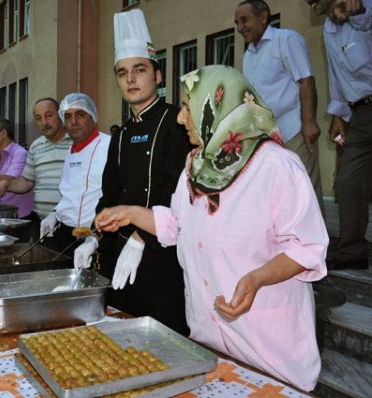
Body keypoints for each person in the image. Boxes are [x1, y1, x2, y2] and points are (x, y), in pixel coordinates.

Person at [95, 65, 328, 392]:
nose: (180, 118)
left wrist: (258, 278)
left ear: (217, 107)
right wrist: (131, 213)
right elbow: (177, 224)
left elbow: (306, 248)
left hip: (267, 349)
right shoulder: (195, 166)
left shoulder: (277, 167)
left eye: (189, 107)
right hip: (209, 341)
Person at [74, 9, 190, 333]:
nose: (130, 79)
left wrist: (140, 238)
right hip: (118, 259)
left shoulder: (178, 124)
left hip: (160, 258)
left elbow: (174, 193)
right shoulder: (121, 135)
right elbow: (110, 194)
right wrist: (94, 238)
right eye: (122, 73)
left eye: (139, 70)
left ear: (158, 75)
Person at [235, 0, 324, 213]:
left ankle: (316, 245)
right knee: (278, 197)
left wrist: (309, 124)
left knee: (304, 193)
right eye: (237, 22)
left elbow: (306, 80)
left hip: (294, 132)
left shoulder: (286, 39)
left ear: (263, 17)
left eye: (244, 19)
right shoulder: (248, 55)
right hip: (266, 139)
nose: (240, 27)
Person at [307, 0, 372, 269]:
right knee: (347, 182)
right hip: (360, 115)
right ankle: (352, 252)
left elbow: (366, 20)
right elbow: (336, 76)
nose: (310, 3)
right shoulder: (327, 30)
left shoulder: (363, 9)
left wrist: (357, 12)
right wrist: (337, 115)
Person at [39, 93, 110, 254]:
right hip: (67, 234)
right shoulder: (71, 151)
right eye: (68, 116)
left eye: (81, 115)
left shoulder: (108, 146)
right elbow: (70, 193)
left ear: (92, 117)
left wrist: (94, 239)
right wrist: (55, 216)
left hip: (96, 235)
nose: (74, 122)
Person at [0, 98, 72, 230]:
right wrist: (6, 184)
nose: (44, 122)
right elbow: (27, 182)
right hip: (41, 222)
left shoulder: (75, 143)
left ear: (60, 114)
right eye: (38, 118)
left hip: (69, 224)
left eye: (49, 116)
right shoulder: (36, 146)